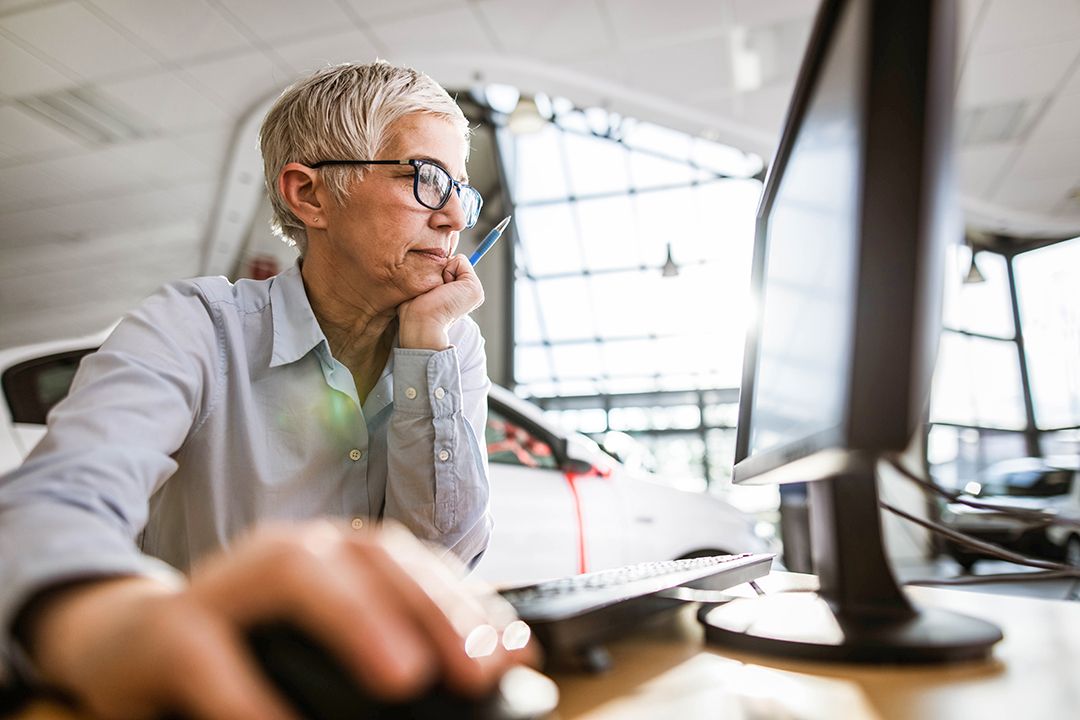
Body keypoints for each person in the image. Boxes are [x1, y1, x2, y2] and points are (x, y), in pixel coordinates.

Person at [0, 61, 521, 718]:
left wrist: (426, 346)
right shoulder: (194, 327)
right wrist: (102, 619)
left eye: (461, 191)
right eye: (426, 179)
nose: (453, 216)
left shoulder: (450, 342)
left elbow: (444, 558)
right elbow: (54, 500)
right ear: (309, 195)